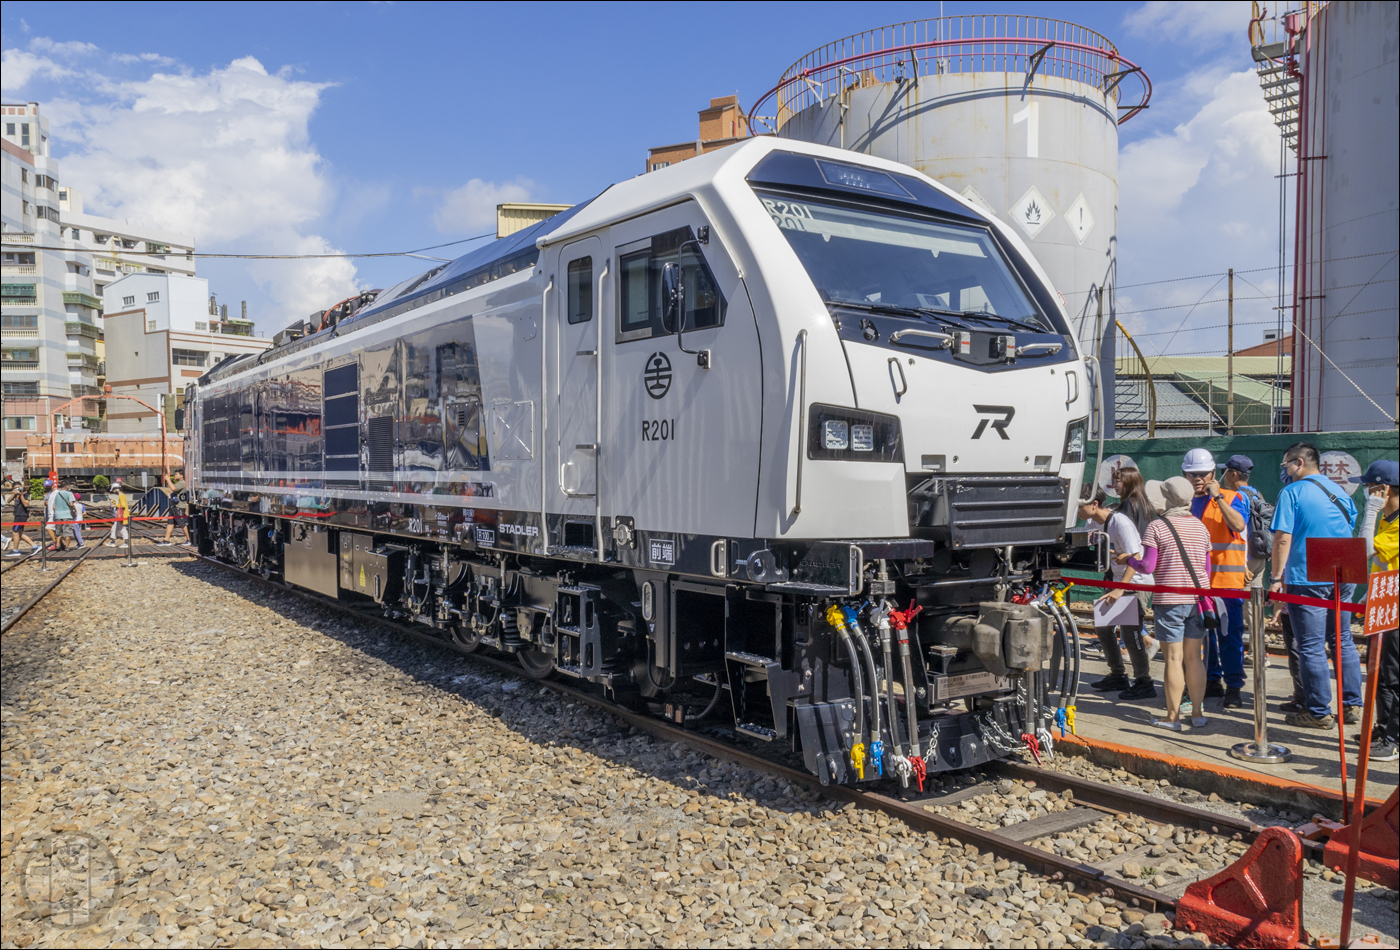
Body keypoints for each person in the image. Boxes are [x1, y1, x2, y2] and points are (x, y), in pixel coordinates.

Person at [1269, 442, 1361, 729]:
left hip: (1308, 570)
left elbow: (1282, 538)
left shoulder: (1292, 492)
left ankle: (1319, 711)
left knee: (1310, 645)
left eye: (1286, 465)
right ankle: (1350, 704)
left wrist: (1275, 577)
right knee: (1342, 639)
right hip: (1346, 566)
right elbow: (1351, 525)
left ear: (1298, 463)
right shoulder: (1340, 492)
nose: (1284, 471)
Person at [1126, 477, 1214, 730]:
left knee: (1174, 659)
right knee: (1194, 658)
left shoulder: (1157, 527)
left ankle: (1172, 717)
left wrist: (1128, 560)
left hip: (1170, 600)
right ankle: (1197, 714)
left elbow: (1148, 566)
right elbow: (1206, 569)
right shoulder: (1200, 527)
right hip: (1198, 600)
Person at [1182, 448, 1250, 709]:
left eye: (1202, 474)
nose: (1197, 479)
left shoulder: (1233, 497)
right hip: (1196, 584)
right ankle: (1211, 681)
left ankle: (1234, 687)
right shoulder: (1183, 504)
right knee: (1201, 637)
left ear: (1213, 473)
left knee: (1229, 637)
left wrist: (1218, 497)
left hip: (1226, 583)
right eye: (1191, 474)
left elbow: (1238, 525)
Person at [1078, 491, 1156, 701]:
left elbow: (1135, 557)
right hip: (1115, 581)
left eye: (1079, 506)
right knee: (1103, 628)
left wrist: (1121, 588)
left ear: (1094, 504)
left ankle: (1144, 682)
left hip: (1133, 582)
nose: (1076, 511)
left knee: (1130, 634)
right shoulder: (1091, 524)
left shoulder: (1119, 522)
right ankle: (1118, 675)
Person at [1351, 459, 1398, 761]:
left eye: (1369, 486)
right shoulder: (1387, 518)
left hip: (1396, 610)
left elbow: (1364, 550)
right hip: (1383, 604)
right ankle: (1383, 728)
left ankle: (1393, 739)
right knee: (1379, 673)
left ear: (1383, 488)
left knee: (1393, 675)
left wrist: (1370, 510)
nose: (1366, 491)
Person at [4, 479, 37, 555]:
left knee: (15, 532)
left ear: (21, 487)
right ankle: (34, 546)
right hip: (17, 515)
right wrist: (14, 493)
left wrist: (21, 494)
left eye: (18, 487)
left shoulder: (25, 494)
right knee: (20, 533)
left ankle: (15, 550)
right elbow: (8, 501)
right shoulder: (16, 495)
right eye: (15, 488)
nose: (17, 489)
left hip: (21, 515)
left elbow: (26, 504)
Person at [159, 470, 189, 546]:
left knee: (182, 524)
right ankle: (166, 540)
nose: (175, 476)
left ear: (181, 476)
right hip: (174, 506)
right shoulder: (178, 483)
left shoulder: (182, 483)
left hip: (179, 506)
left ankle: (189, 539)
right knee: (170, 523)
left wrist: (168, 480)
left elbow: (174, 489)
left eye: (176, 474)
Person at [105, 478, 130, 547]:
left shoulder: (121, 496)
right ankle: (113, 542)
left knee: (122, 529)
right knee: (114, 528)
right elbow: (120, 503)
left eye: (113, 489)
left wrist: (114, 505)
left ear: (116, 489)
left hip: (122, 515)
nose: (113, 491)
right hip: (119, 515)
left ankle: (126, 543)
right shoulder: (120, 495)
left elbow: (123, 505)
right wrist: (113, 501)